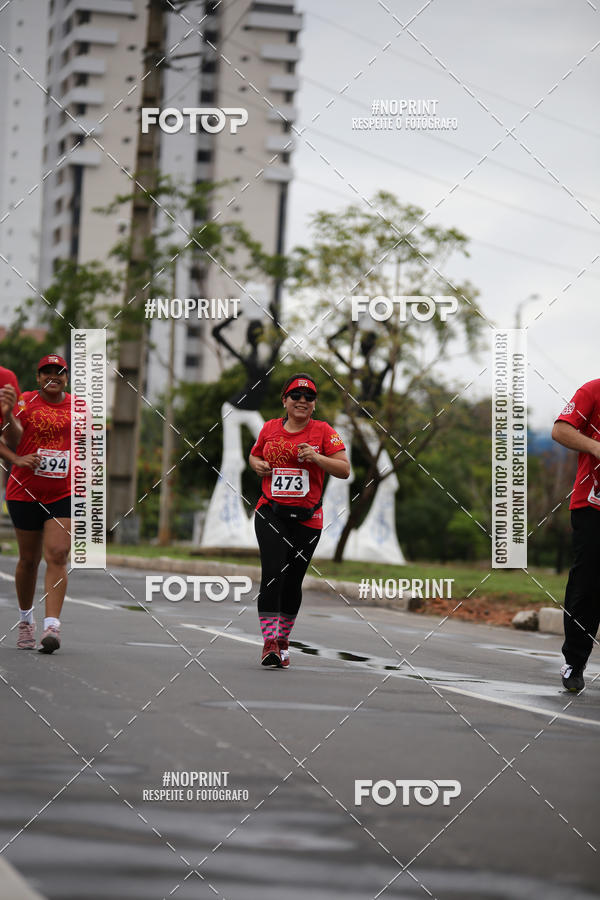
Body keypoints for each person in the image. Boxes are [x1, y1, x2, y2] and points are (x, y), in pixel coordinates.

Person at [249, 374, 350, 668]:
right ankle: (269, 643)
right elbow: (254, 457)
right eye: (295, 396)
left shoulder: (323, 432)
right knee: (273, 575)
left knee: (293, 582)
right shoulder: (269, 428)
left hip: (308, 518)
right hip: (270, 512)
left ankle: (283, 640)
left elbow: (344, 469)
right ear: (285, 401)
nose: (302, 401)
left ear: (314, 404)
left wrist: (318, 458)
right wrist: (258, 466)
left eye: (308, 397)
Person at [0, 355, 72, 653]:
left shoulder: (79, 407)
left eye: (59, 372)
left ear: (66, 377)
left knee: (57, 553)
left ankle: (52, 626)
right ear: (38, 377)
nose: (52, 376)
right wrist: (6, 417)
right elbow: (13, 440)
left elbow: (90, 447)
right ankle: (26, 619)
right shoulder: (24, 402)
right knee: (28, 561)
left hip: (63, 492)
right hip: (24, 490)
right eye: (46, 372)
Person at [552, 378, 600, 692]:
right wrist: (596, 447)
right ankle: (575, 662)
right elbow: (560, 430)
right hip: (592, 505)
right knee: (588, 586)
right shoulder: (593, 390)